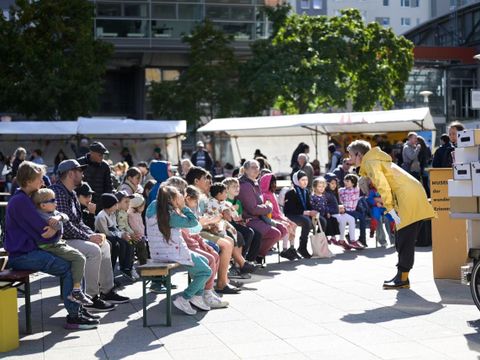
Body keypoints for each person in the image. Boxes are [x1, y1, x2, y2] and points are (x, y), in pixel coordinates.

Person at [5, 161, 99, 329]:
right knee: (70, 266)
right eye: (40, 179)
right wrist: (56, 228)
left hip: (31, 250)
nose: (43, 182)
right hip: (22, 255)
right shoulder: (21, 201)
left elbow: (55, 220)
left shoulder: (26, 198)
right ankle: (74, 316)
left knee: (77, 260)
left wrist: (58, 224)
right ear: (28, 180)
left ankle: (78, 309)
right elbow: (44, 232)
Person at [347, 140, 435, 289]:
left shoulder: (371, 163)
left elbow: (383, 186)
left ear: (359, 155)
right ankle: (402, 276)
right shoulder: (374, 160)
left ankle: (402, 278)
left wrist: (390, 209)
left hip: (408, 197)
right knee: (401, 238)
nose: (348, 160)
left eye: (350, 155)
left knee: (404, 240)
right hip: (410, 194)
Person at [51, 159, 128, 310]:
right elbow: (65, 226)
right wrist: (88, 237)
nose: (82, 174)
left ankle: (107, 291)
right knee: (93, 250)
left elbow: (78, 222)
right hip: (60, 241)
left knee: (105, 244)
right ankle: (91, 297)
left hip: (71, 237)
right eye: (80, 171)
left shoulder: (71, 193)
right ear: (71, 173)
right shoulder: (58, 192)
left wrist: (93, 234)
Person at [146, 185, 212, 315]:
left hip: (159, 252)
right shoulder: (170, 215)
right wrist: (183, 207)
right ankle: (185, 298)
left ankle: (197, 297)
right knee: (206, 271)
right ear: (171, 199)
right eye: (178, 195)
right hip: (173, 252)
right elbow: (193, 222)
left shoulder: (153, 206)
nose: (182, 197)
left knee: (204, 259)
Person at [32, 188, 91, 305]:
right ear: (43, 205)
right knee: (79, 258)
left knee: (78, 261)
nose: (56, 202)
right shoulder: (41, 215)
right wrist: (58, 221)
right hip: (50, 246)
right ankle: (76, 291)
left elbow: (65, 216)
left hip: (57, 242)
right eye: (52, 200)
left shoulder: (51, 212)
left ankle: (78, 291)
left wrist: (59, 217)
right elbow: (58, 226)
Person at [236, 160, 283, 264]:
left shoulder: (255, 183)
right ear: (245, 170)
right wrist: (268, 207)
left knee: (282, 229)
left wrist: (265, 207)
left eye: (257, 167)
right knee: (275, 233)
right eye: (253, 167)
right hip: (248, 219)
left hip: (260, 217)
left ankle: (257, 254)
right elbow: (252, 209)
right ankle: (254, 257)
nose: (256, 170)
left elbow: (258, 205)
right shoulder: (245, 185)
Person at [95, 192, 136, 281]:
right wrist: (121, 236)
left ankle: (126, 268)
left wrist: (123, 234)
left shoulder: (112, 214)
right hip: (104, 236)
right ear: (109, 205)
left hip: (113, 234)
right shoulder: (101, 216)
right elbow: (106, 232)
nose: (116, 206)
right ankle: (112, 272)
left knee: (129, 242)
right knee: (118, 244)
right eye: (115, 204)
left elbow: (115, 228)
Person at [259, 173, 299, 261]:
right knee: (286, 225)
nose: (274, 184)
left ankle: (292, 248)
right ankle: (284, 250)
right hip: (270, 218)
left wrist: (283, 217)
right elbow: (269, 211)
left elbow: (278, 210)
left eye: (274, 182)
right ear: (266, 183)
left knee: (293, 224)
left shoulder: (272, 194)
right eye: (272, 183)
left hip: (278, 216)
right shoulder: (264, 195)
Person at [283, 170, 319, 258]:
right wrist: (307, 212)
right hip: (292, 215)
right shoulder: (291, 192)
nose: (305, 182)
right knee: (306, 221)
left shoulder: (305, 191)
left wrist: (314, 212)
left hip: (302, 214)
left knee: (321, 220)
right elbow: (290, 209)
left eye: (306, 180)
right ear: (296, 180)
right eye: (302, 180)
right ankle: (302, 247)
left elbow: (308, 206)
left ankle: (318, 246)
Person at [77, 141, 113, 211]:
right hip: (82, 204)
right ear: (92, 153)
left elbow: (109, 186)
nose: (102, 157)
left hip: (100, 205)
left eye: (103, 155)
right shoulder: (80, 163)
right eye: (100, 155)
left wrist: (107, 203)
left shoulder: (105, 166)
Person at [338, 174, 366, 248]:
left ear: (353, 183)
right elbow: (340, 201)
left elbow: (359, 181)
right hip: (345, 211)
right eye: (345, 180)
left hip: (353, 211)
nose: (345, 182)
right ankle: (351, 238)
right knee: (354, 218)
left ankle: (362, 238)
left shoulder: (356, 189)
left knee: (362, 218)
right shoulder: (341, 190)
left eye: (347, 181)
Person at [127, 193, 149, 265]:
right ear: (138, 206)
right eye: (143, 206)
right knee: (142, 249)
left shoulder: (136, 213)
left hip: (140, 235)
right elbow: (135, 227)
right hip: (137, 236)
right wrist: (142, 235)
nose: (144, 207)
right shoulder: (132, 215)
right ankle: (143, 263)